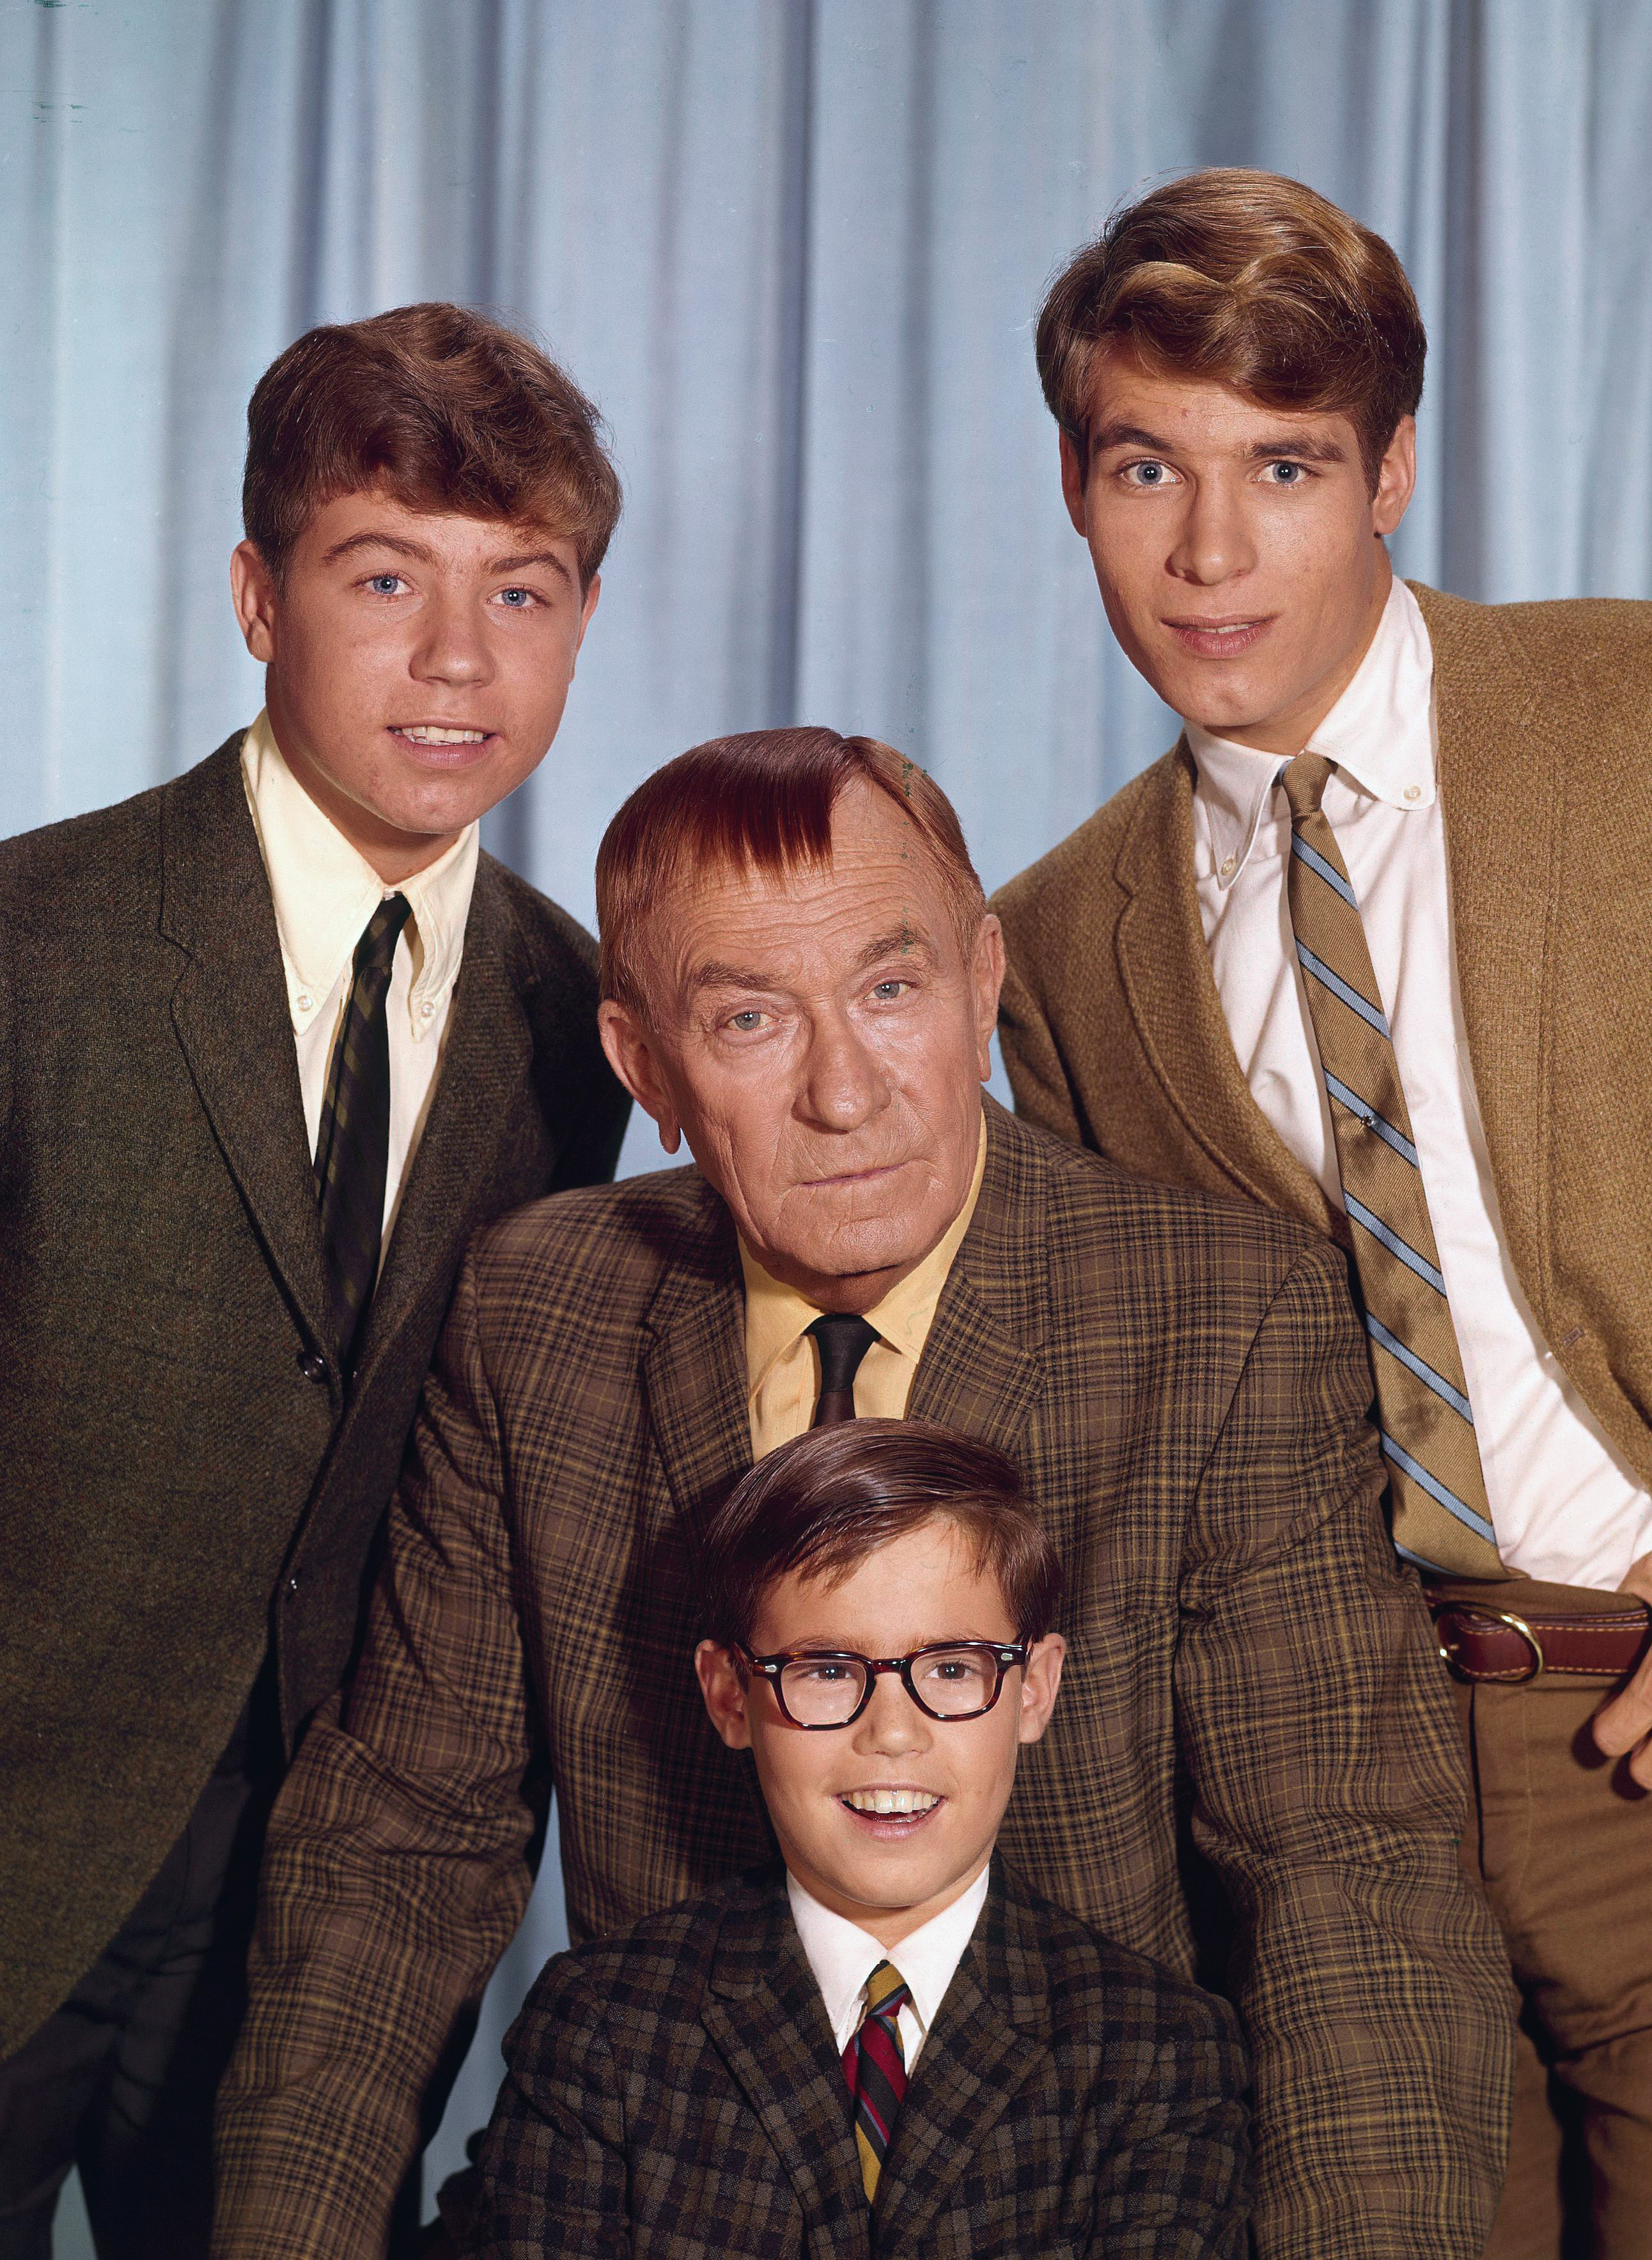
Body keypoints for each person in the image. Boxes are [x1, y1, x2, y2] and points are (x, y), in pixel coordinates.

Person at [214, 724, 1513, 2260]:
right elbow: (403, 1845)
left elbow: (1343, 1876)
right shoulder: (538, 1313)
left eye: (890, 990)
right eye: (750, 1018)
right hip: (672, 2192)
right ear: (648, 1071)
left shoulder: (1213, 1315)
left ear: (982, 982)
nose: (845, 1091)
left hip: (1078, 2193)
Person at [992, 166, 1652, 2258]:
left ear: (1390, 474)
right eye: (1145, 465)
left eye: (1283, 465)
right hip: (1351, 1829)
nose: (1207, 548)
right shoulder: (1065, 936)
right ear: (1071, 487)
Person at [0, 302, 631, 2259]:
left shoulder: (567, 1015)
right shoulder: (35, 944)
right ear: (260, 599)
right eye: (386, 579)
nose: (459, 660)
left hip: (319, 1942)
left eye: (520, 592)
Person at [438, 1418, 1251, 2257]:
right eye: (826, 1670)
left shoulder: (1156, 2051)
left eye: (951, 1668)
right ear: (728, 1696)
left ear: (1034, 1688)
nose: (891, 1733)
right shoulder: (603, 2028)